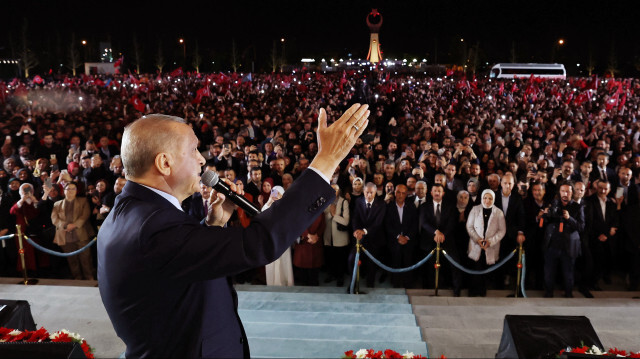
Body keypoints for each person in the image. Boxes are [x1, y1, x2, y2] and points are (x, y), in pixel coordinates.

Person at [98, 104, 369, 358]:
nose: (202, 161)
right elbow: (260, 242)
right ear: (164, 163)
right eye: (193, 150)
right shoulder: (153, 226)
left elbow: (175, 271)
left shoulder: (133, 212)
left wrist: (212, 226)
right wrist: (327, 159)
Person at [541, 182, 585, 298]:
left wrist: (569, 218)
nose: (565, 194)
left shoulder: (577, 206)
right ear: (559, 192)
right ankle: (549, 293)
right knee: (549, 272)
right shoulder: (553, 205)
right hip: (552, 245)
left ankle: (569, 294)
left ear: (572, 192)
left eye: (568, 191)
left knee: (568, 273)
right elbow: (544, 223)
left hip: (569, 246)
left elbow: (581, 227)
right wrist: (544, 215)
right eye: (563, 191)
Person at [466, 189, 506, 296]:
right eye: (485, 198)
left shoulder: (498, 212)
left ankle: (482, 292)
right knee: (475, 269)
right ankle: (472, 292)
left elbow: (502, 230)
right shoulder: (475, 209)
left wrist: (490, 242)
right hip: (476, 245)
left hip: (490, 246)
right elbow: (469, 227)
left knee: (485, 271)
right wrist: (478, 240)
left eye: (490, 198)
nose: (487, 200)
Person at [51, 182, 94, 280]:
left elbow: (85, 215)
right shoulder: (57, 204)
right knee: (71, 259)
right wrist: (66, 225)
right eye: (68, 189)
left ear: (76, 191)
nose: (70, 191)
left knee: (86, 258)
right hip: (64, 235)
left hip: (81, 234)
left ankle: (89, 277)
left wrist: (74, 225)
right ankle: (77, 277)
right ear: (64, 191)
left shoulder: (83, 201)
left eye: (73, 189)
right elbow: (54, 219)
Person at [384, 184, 418, 288]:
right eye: (398, 192)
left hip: (408, 239)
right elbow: (387, 225)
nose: (400, 195)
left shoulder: (411, 206)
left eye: (403, 193)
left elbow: (415, 224)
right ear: (395, 193)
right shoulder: (389, 207)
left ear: (406, 194)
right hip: (394, 239)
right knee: (395, 259)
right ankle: (396, 283)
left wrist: (407, 237)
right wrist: (398, 236)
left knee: (408, 259)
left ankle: (408, 283)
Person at [323, 184, 350, 287]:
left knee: (340, 258)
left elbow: (346, 221)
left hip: (340, 236)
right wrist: (330, 214)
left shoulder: (344, 202)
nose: (334, 191)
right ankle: (331, 275)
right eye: (332, 189)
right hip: (328, 235)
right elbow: (323, 218)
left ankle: (340, 277)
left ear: (339, 191)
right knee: (330, 257)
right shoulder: (325, 201)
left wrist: (334, 215)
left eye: (336, 189)